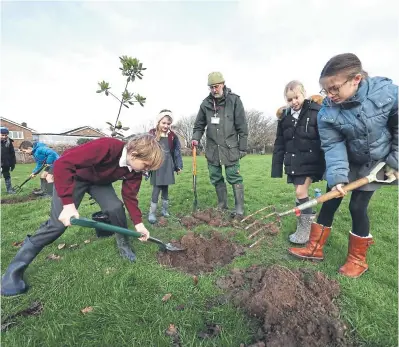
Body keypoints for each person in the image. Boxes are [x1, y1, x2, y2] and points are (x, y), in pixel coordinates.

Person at [1, 134, 164, 296]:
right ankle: (13, 272)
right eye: (146, 166)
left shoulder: (134, 170)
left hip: (99, 183)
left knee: (115, 208)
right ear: (134, 154)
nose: (146, 171)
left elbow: (130, 196)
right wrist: (68, 204)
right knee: (57, 226)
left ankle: (124, 244)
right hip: (73, 177)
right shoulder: (108, 147)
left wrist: (139, 224)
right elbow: (63, 164)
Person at [288, 53, 398, 278]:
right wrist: (338, 178)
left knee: (357, 207)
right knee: (330, 200)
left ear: (356, 79)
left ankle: (357, 260)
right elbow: (333, 145)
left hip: (376, 160)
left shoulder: (387, 93)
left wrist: (394, 163)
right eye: (325, 90)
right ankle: (314, 248)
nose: (330, 95)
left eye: (335, 88)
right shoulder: (328, 111)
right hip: (347, 158)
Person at [271, 81, 325, 244]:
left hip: (311, 160)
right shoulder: (285, 118)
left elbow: (326, 137)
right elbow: (279, 143)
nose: (294, 101)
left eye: (297, 97)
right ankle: (303, 223)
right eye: (290, 99)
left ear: (303, 94)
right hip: (293, 162)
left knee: (300, 193)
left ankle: (305, 231)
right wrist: (276, 168)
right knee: (301, 195)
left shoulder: (315, 111)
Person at [192, 72, 248, 219]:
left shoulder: (234, 101)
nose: (214, 90)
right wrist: (195, 138)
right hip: (212, 149)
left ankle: (239, 209)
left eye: (216, 86)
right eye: (211, 87)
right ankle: (222, 205)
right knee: (216, 177)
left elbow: (242, 126)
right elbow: (198, 126)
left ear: (223, 84)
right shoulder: (205, 104)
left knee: (233, 177)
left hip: (230, 148)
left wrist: (242, 148)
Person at [147, 109, 183, 224]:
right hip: (156, 166)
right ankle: (152, 213)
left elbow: (177, 152)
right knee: (156, 189)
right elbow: (146, 151)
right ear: (158, 122)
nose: (166, 126)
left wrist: (178, 166)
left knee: (165, 189)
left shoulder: (172, 136)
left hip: (168, 165)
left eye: (168, 123)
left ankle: (164, 210)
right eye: (163, 123)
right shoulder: (151, 134)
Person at [1, 127, 16, 194]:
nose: (4, 137)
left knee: (7, 176)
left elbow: (12, 154)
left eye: (6, 135)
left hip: (5, 163)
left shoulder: (9, 142)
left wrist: (13, 164)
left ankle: (9, 190)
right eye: (2, 135)